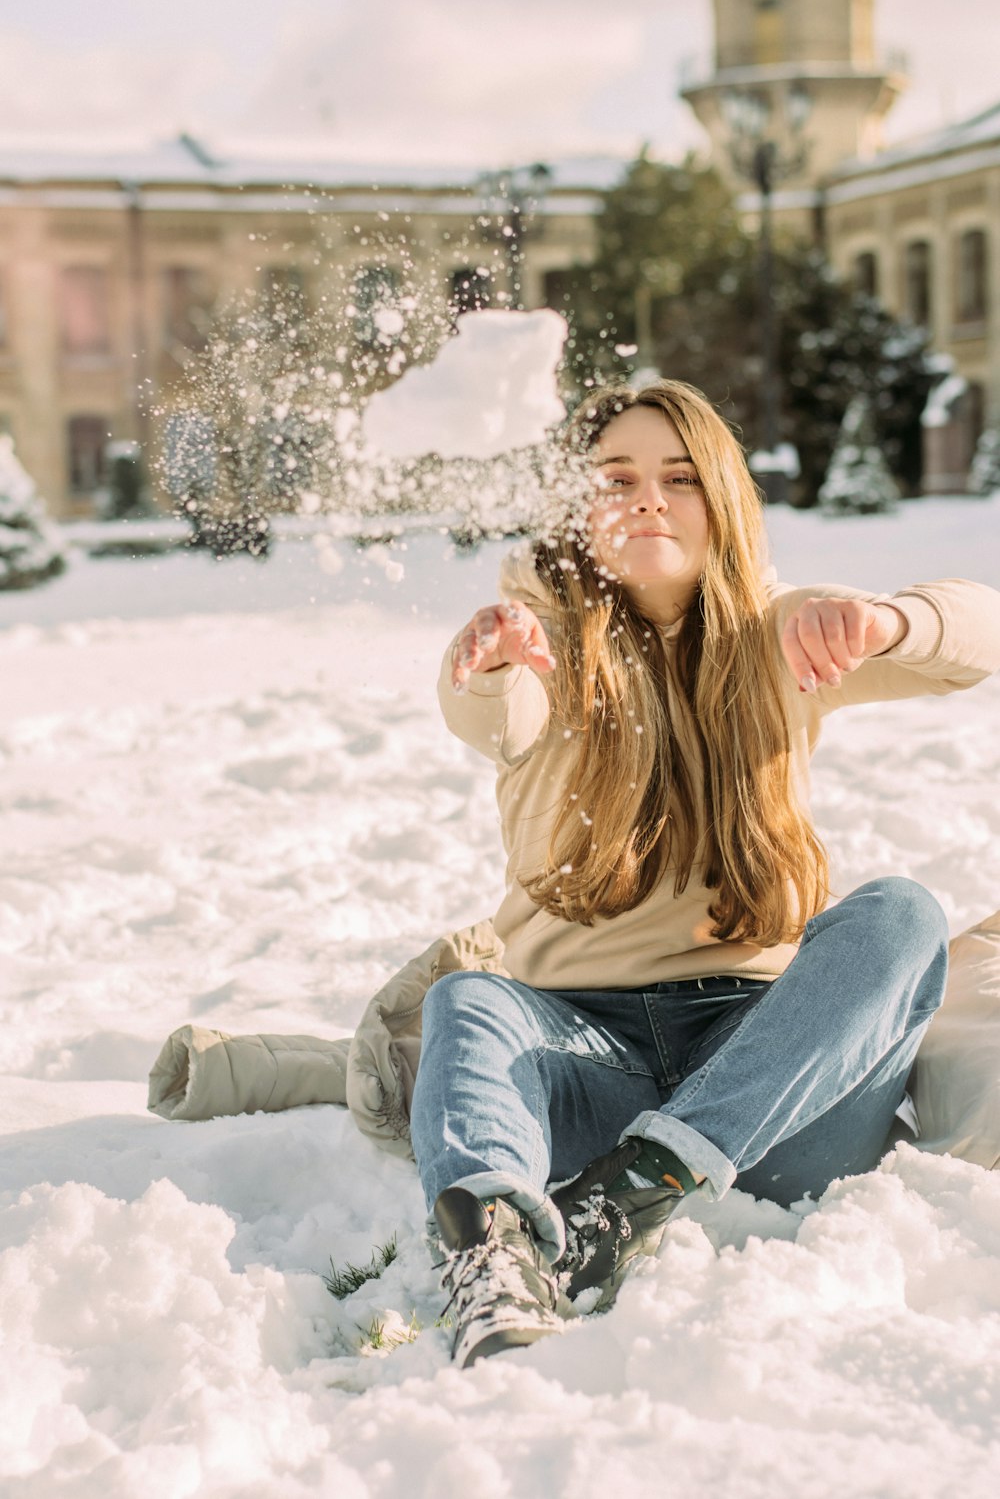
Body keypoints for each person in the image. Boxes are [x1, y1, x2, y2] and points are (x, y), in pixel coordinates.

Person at [409, 379, 1000, 1368]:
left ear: (720, 498)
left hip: (770, 1087)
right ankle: (499, 1257)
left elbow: (979, 637)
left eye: (678, 477)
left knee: (897, 915)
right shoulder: (537, 639)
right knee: (469, 999)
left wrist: (888, 623)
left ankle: (648, 1184)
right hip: (584, 1060)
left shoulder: (779, 634)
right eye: (617, 477)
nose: (648, 497)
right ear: (573, 502)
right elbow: (492, 715)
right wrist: (493, 662)